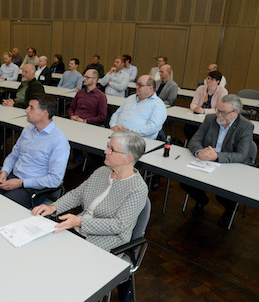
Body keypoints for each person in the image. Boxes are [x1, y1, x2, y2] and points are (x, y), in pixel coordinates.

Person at [32, 129, 148, 302]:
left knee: (62, 267)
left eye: (111, 149)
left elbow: (118, 225)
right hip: (79, 229)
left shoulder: (138, 188)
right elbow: (77, 194)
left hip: (108, 241)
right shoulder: (102, 171)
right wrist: (54, 207)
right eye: (108, 146)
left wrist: (79, 222)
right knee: (44, 251)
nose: (105, 151)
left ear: (128, 159)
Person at [180, 94, 256, 229]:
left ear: (236, 112)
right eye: (217, 110)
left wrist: (216, 156)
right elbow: (195, 140)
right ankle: (201, 200)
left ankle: (228, 210)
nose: (219, 115)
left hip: (230, 166)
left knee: (223, 192)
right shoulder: (210, 119)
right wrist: (199, 152)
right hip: (206, 162)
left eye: (224, 112)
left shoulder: (245, 126)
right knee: (185, 179)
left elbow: (241, 155)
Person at [0, 94, 70, 208]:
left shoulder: (59, 141)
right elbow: (13, 156)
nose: (26, 110)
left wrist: (21, 183)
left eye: (31, 108)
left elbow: (55, 180)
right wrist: (4, 172)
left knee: (0, 206)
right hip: (13, 177)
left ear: (44, 113)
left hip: (32, 189)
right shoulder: (27, 130)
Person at [110, 75, 167, 140]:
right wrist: (113, 126)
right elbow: (116, 114)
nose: (136, 87)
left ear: (150, 88)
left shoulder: (158, 104)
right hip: (117, 135)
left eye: (140, 85)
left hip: (139, 141)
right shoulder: (130, 98)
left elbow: (153, 127)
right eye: (136, 84)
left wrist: (129, 132)